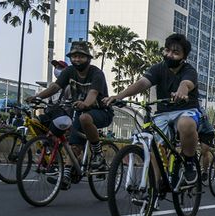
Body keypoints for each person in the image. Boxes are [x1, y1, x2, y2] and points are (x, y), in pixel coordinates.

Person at [105, 33, 201, 188]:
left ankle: (189, 162)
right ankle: (154, 189)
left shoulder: (189, 70)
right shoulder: (158, 68)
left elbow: (186, 83)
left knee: (186, 124)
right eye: (167, 51)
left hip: (185, 109)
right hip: (162, 113)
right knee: (153, 144)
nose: (169, 55)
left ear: (184, 58)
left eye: (175, 53)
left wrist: (182, 90)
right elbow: (142, 83)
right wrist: (119, 96)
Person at [29, 41, 114, 188]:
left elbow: (93, 93)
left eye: (80, 56)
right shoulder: (69, 72)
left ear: (88, 58)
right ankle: (67, 175)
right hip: (80, 112)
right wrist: (38, 97)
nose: (77, 60)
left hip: (102, 112)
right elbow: (55, 86)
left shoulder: (96, 74)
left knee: (84, 117)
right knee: (74, 145)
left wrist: (86, 104)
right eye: (74, 56)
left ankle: (97, 153)